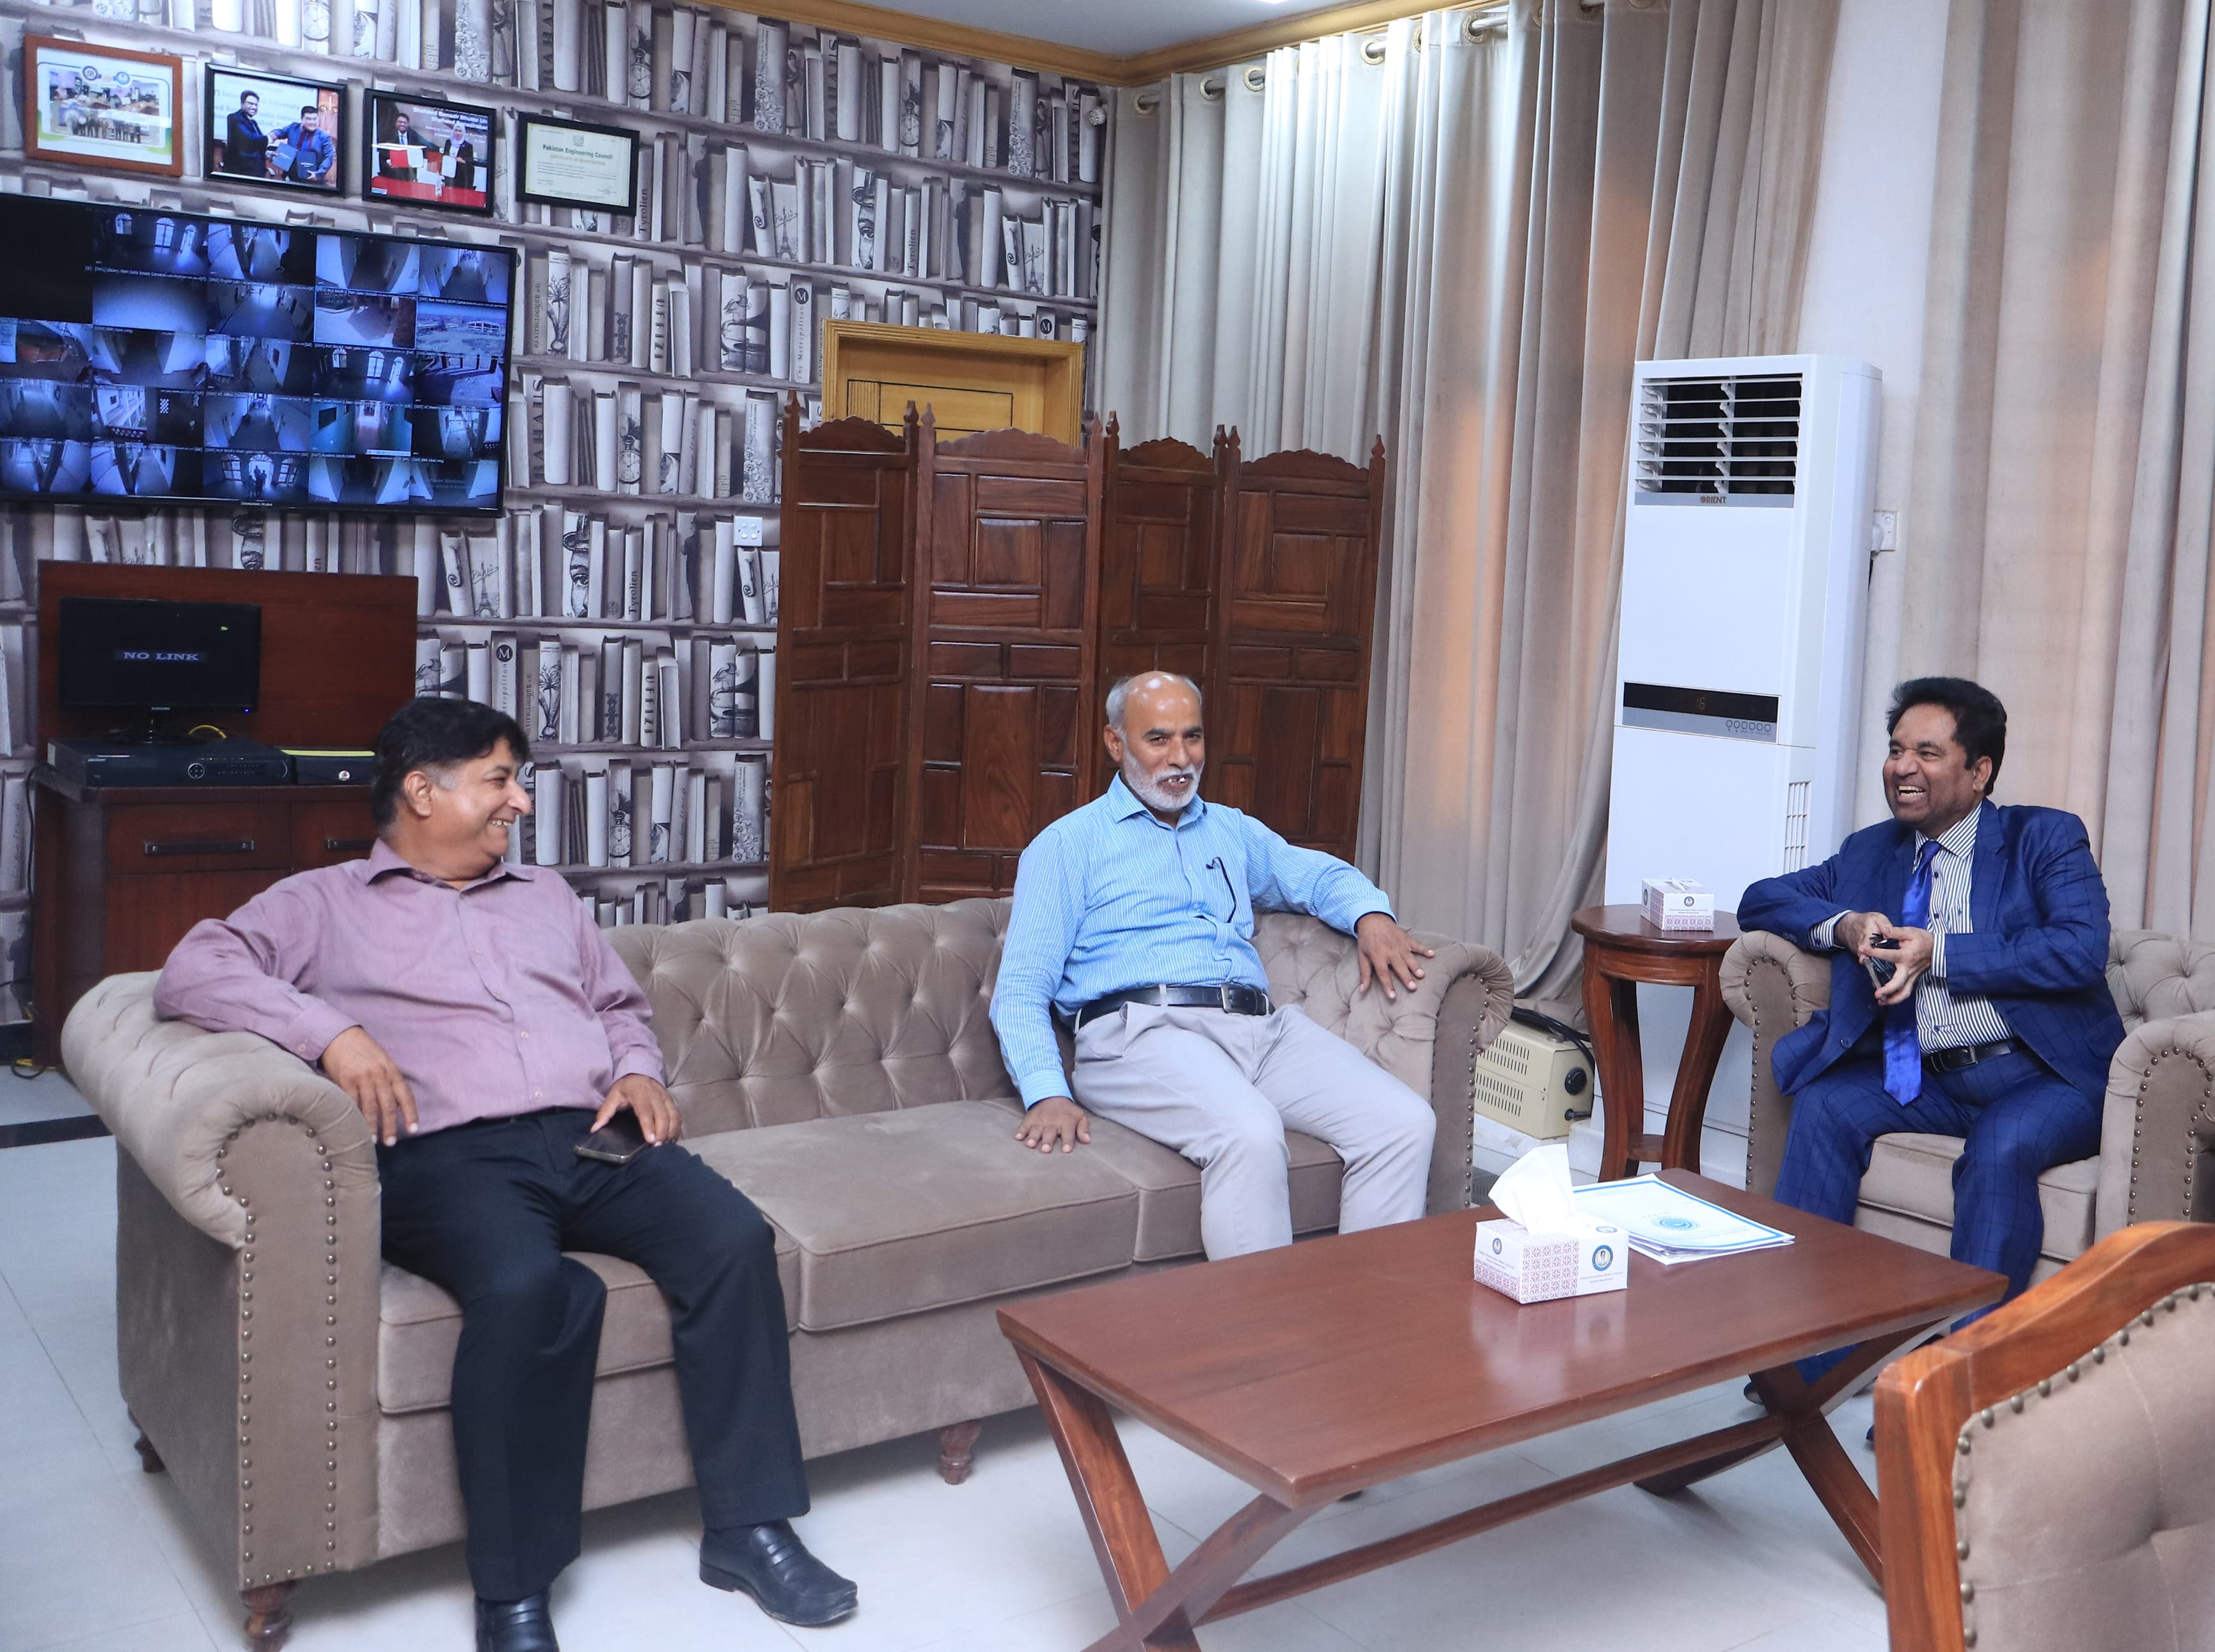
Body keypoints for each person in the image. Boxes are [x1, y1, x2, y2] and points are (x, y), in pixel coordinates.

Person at [154, 700, 856, 1652]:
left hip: (589, 1134)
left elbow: (616, 1005)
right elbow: (192, 971)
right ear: (421, 791)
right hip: (448, 1155)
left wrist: (637, 1069)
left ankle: (750, 1530)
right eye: (499, 779)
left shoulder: (545, 897)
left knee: (732, 1240)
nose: (519, 801)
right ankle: (513, 1591)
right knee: (528, 1286)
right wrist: (332, 1033)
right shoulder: (321, 903)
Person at [993, 671, 1439, 1260]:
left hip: (1260, 1031)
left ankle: (1363, 1315)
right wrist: (1045, 1091)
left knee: (1404, 1123)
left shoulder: (1230, 829)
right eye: (1159, 739)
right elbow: (1021, 990)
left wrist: (1370, 914)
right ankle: (1259, 1324)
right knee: (1250, 1134)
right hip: (1141, 1035)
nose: (1181, 758)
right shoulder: (1068, 845)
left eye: (1193, 736)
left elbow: (1313, 875)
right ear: (1115, 743)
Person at [1738, 676, 2122, 1338]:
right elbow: (1761, 898)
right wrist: (1845, 924)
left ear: (1979, 772)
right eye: (1895, 750)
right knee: (1825, 1105)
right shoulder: (1871, 851)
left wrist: (1937, 952)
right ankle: (1801, 1359)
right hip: (1932, 1077)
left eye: (1927, 752)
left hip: (2042, 1075)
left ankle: (1965, 1368)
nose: (1902, 767)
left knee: (1999, 1146)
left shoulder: (2043, 838)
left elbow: (2078, 948)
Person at [219, 89, 271, 177]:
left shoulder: (254, 123)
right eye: (250, 104)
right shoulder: (234, 118)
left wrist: (268, 153)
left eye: (256, 105)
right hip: (240, 170)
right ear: (242, 103)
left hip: (255, 171)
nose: (254, 107)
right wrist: (269, 138)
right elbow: (248, 138)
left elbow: (258, 144)